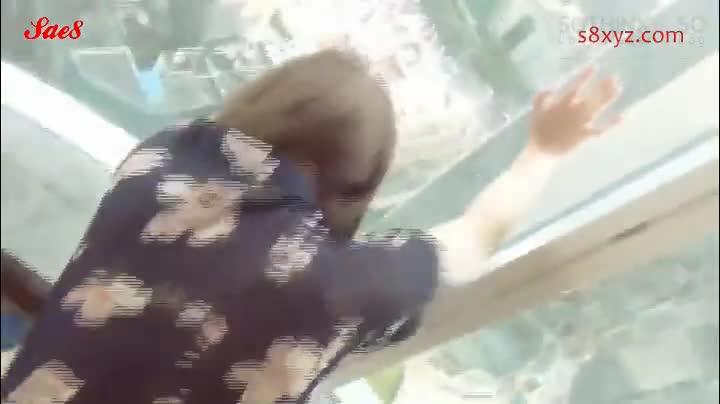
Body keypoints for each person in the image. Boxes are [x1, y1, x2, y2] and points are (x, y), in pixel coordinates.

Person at [1, 49, 621, 404]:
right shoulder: (341, 284)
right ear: (353, 180)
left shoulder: (156, 161)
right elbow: (478, 235)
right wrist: (544, 150)